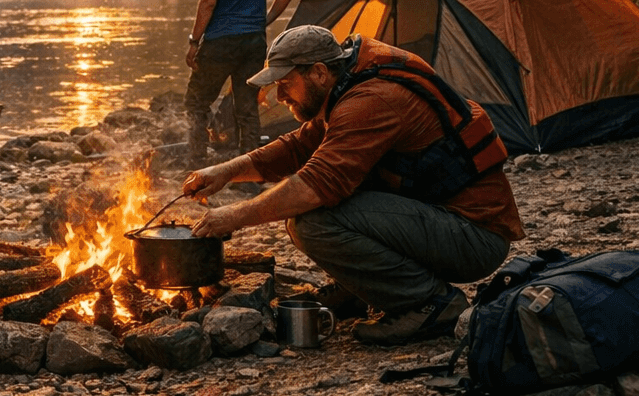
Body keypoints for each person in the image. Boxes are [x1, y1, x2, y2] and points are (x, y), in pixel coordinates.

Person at [182, 25, 526, 345]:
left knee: (312, 222)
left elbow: (314, 186)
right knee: (326, 205)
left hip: (473, 236)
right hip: (440, 219)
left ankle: (431, 304)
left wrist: (232, 217)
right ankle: (367, 290)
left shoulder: (371, 101)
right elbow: (299, 148)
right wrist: (226, 171)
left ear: (318, 72)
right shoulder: (347, 82)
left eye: (285, 83)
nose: (279, 96)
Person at [182, 0, 293, 162]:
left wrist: (194, 41)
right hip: (253, 43)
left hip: (221, 43)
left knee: (196, 102)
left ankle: (197, 163)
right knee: (247, 108)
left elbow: (208, 2)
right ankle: (249, 171)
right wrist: (263, 22)